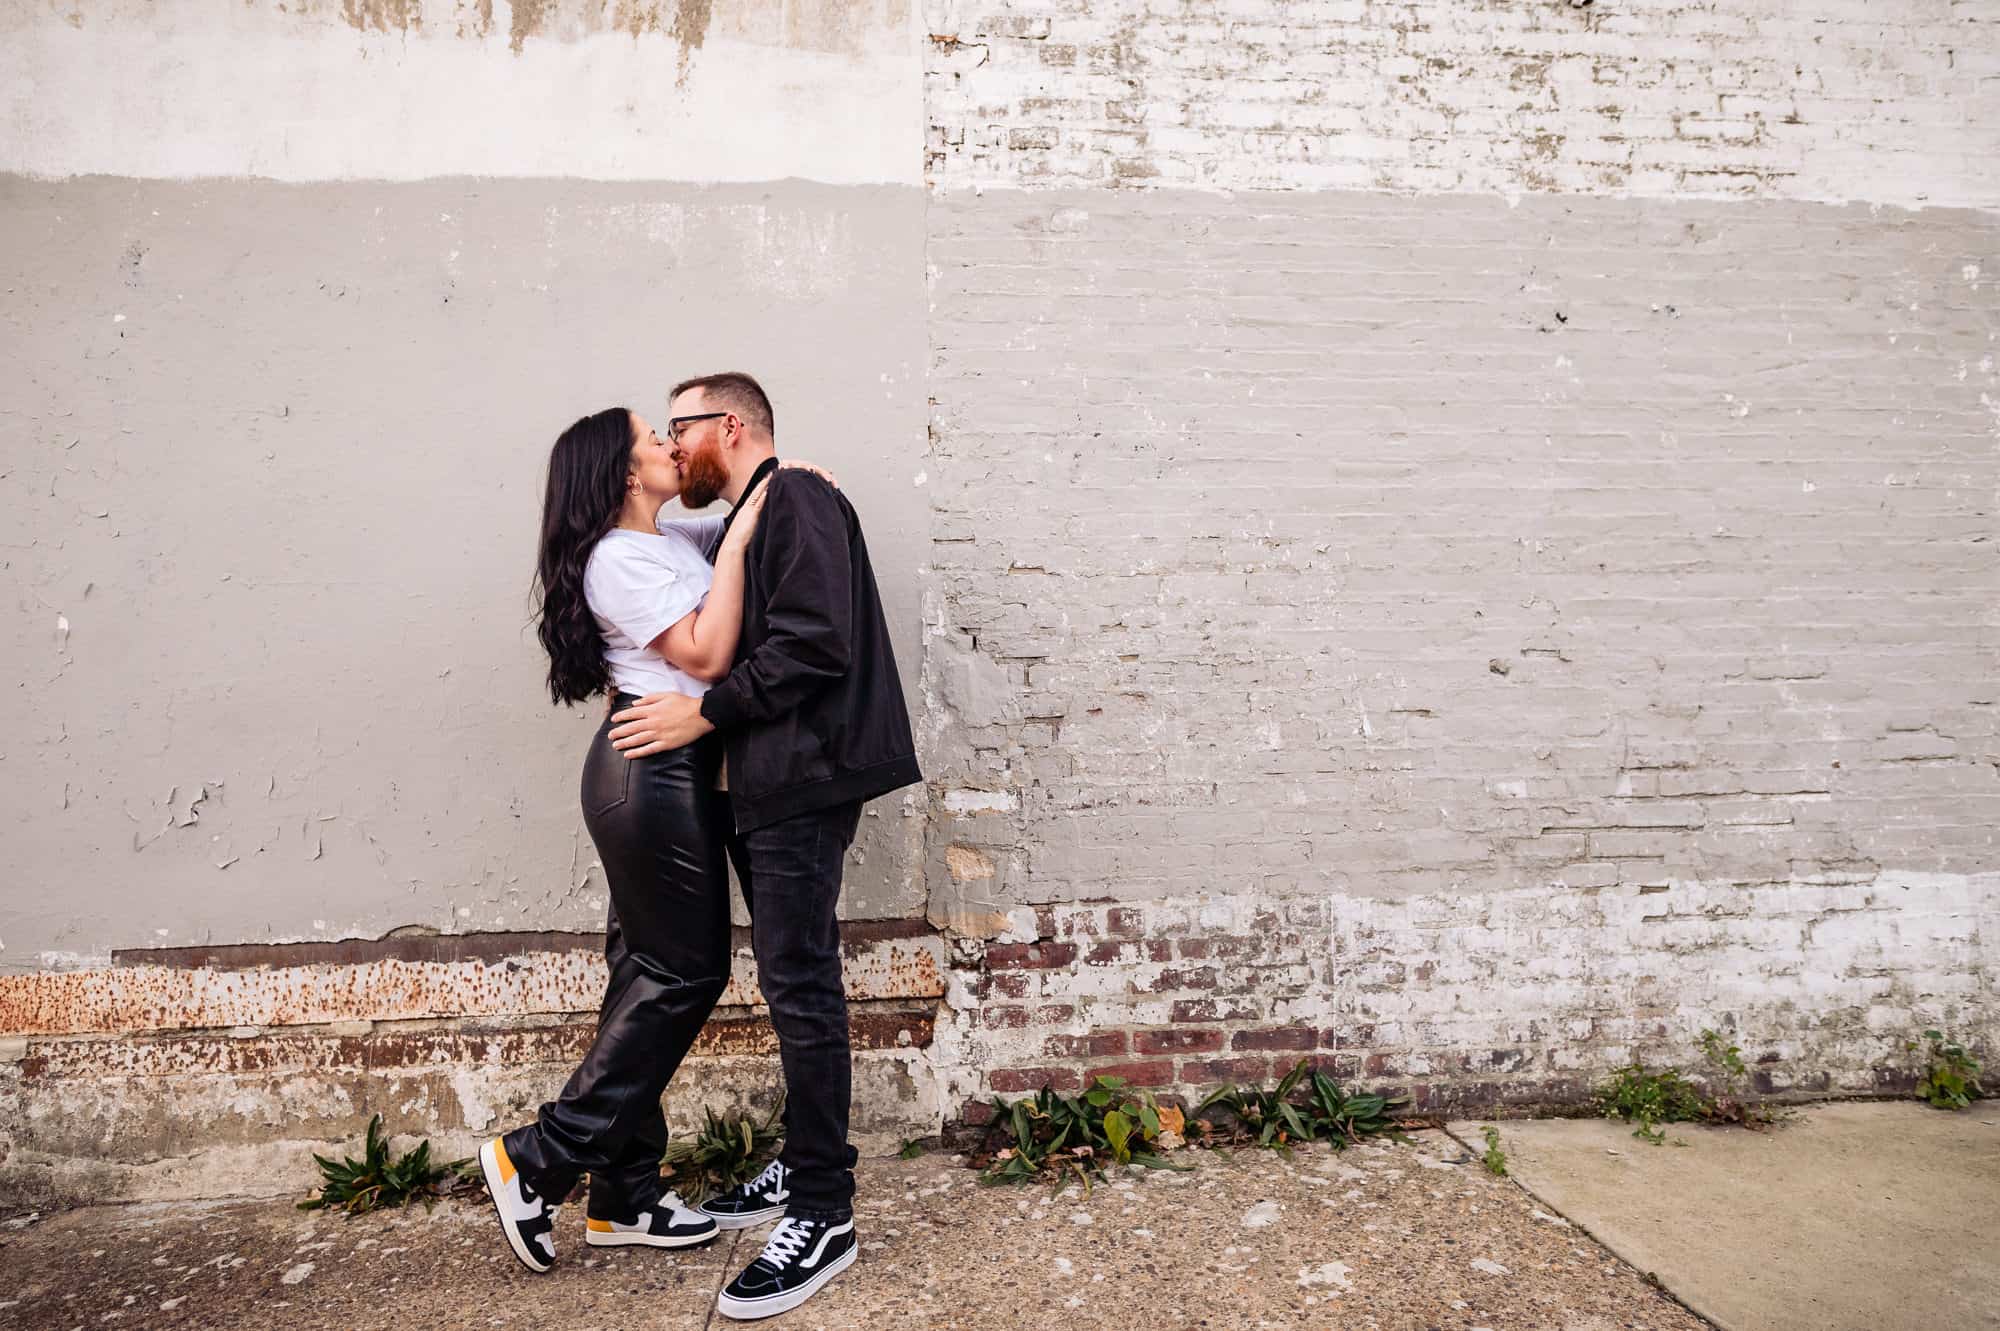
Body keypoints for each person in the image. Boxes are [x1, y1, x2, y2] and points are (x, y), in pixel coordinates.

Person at [606, 372, 921, 1321]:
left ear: (726, 425)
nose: (671, 442)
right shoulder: (755, 507)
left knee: (802, 983)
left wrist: (706, 713)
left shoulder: (797, 498)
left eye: (679, 427)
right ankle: (798, 1169)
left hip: (801, 781)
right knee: (789, 981)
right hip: (763, 784)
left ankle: (825, 1210)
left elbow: (817, 642)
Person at [477, 405, 808, 1275]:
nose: (670, 446)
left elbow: (753, 493)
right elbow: (701, 655)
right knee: (685, 971)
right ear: (624, 473)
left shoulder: (664, 536)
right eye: (651, 440)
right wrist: (735, 550)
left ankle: (624, 1194)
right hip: (649, 772)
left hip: (672, 768)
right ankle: (536, 1157)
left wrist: (794, 482)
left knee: (641, 973)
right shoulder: (618, 558)